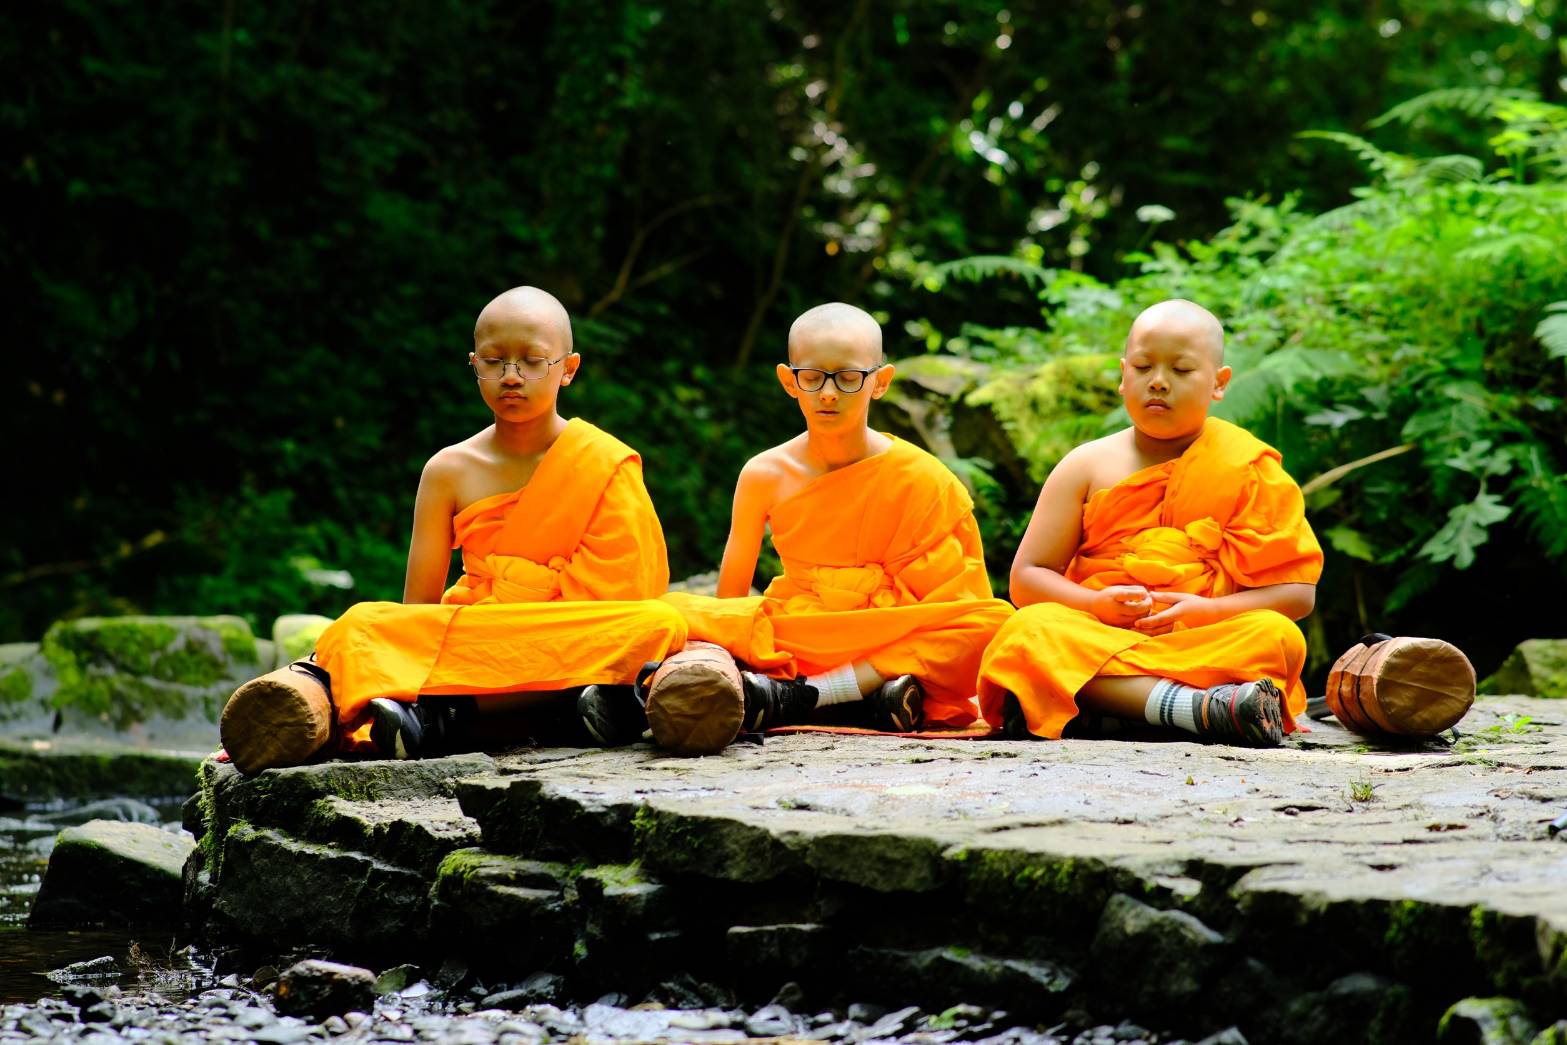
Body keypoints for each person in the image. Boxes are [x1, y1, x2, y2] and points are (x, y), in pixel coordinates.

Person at [219, 287, 686, 772]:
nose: (511, 377)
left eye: (532, 362)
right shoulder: (449, 470)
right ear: (473, 364)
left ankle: (449, 713)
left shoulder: (603, 462)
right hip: (484, 632)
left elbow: (628, 589)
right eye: (494, 361)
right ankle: (569, 708)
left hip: (565, 633)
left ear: (568, 368)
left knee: (658, 624)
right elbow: (417, 610)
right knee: (361, 626)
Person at [625, 302, 1013, 753]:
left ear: (880, 382)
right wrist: (723, 637)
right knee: (666, 613)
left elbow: (960, 598)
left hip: (888, 630)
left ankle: (805, 697)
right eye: (813, 377)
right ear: (789, 381)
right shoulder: (764, 473)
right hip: (803, 631)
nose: (829, 393)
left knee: (993, 623)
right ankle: (862, 697)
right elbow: (731, 599)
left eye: (848, 377)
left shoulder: (925, 476)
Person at [977, 299, 1323, 746]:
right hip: (1097, 633)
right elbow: (1027, 579)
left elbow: (1297, 594)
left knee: (1277, 636)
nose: (1158, 383)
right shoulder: (1086, 465)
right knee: (1027, 631)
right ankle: (1194, 711)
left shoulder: (1248, 468)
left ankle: (1112, 707)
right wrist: (1094, 605)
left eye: (1180, 371)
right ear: (1123, 375)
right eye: (1143, 367)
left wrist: (1208, 611)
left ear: (1219, 384)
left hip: (1201, 639)